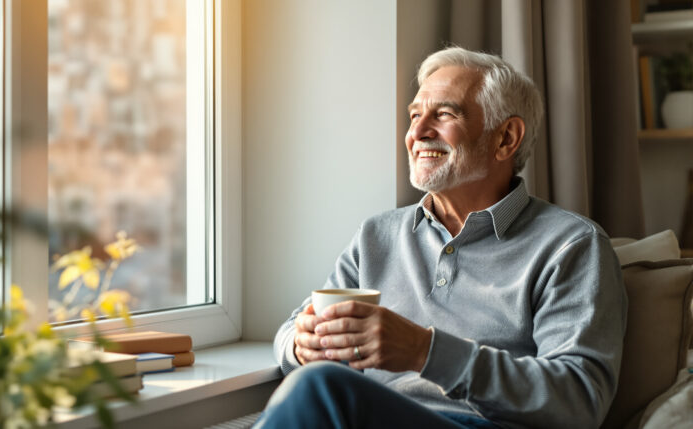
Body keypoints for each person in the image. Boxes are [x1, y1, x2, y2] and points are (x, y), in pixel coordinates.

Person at [254, 47, 627, 429]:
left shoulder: (571, 245)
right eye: (415, 115)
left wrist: (424, 350)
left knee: (320, 387)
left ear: (506, 138)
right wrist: (301, 345)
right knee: (315, 383)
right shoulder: (376, 236)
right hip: (372, 417)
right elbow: (296, 325)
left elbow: (580, 399)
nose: (416, 133)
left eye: (444, 114)